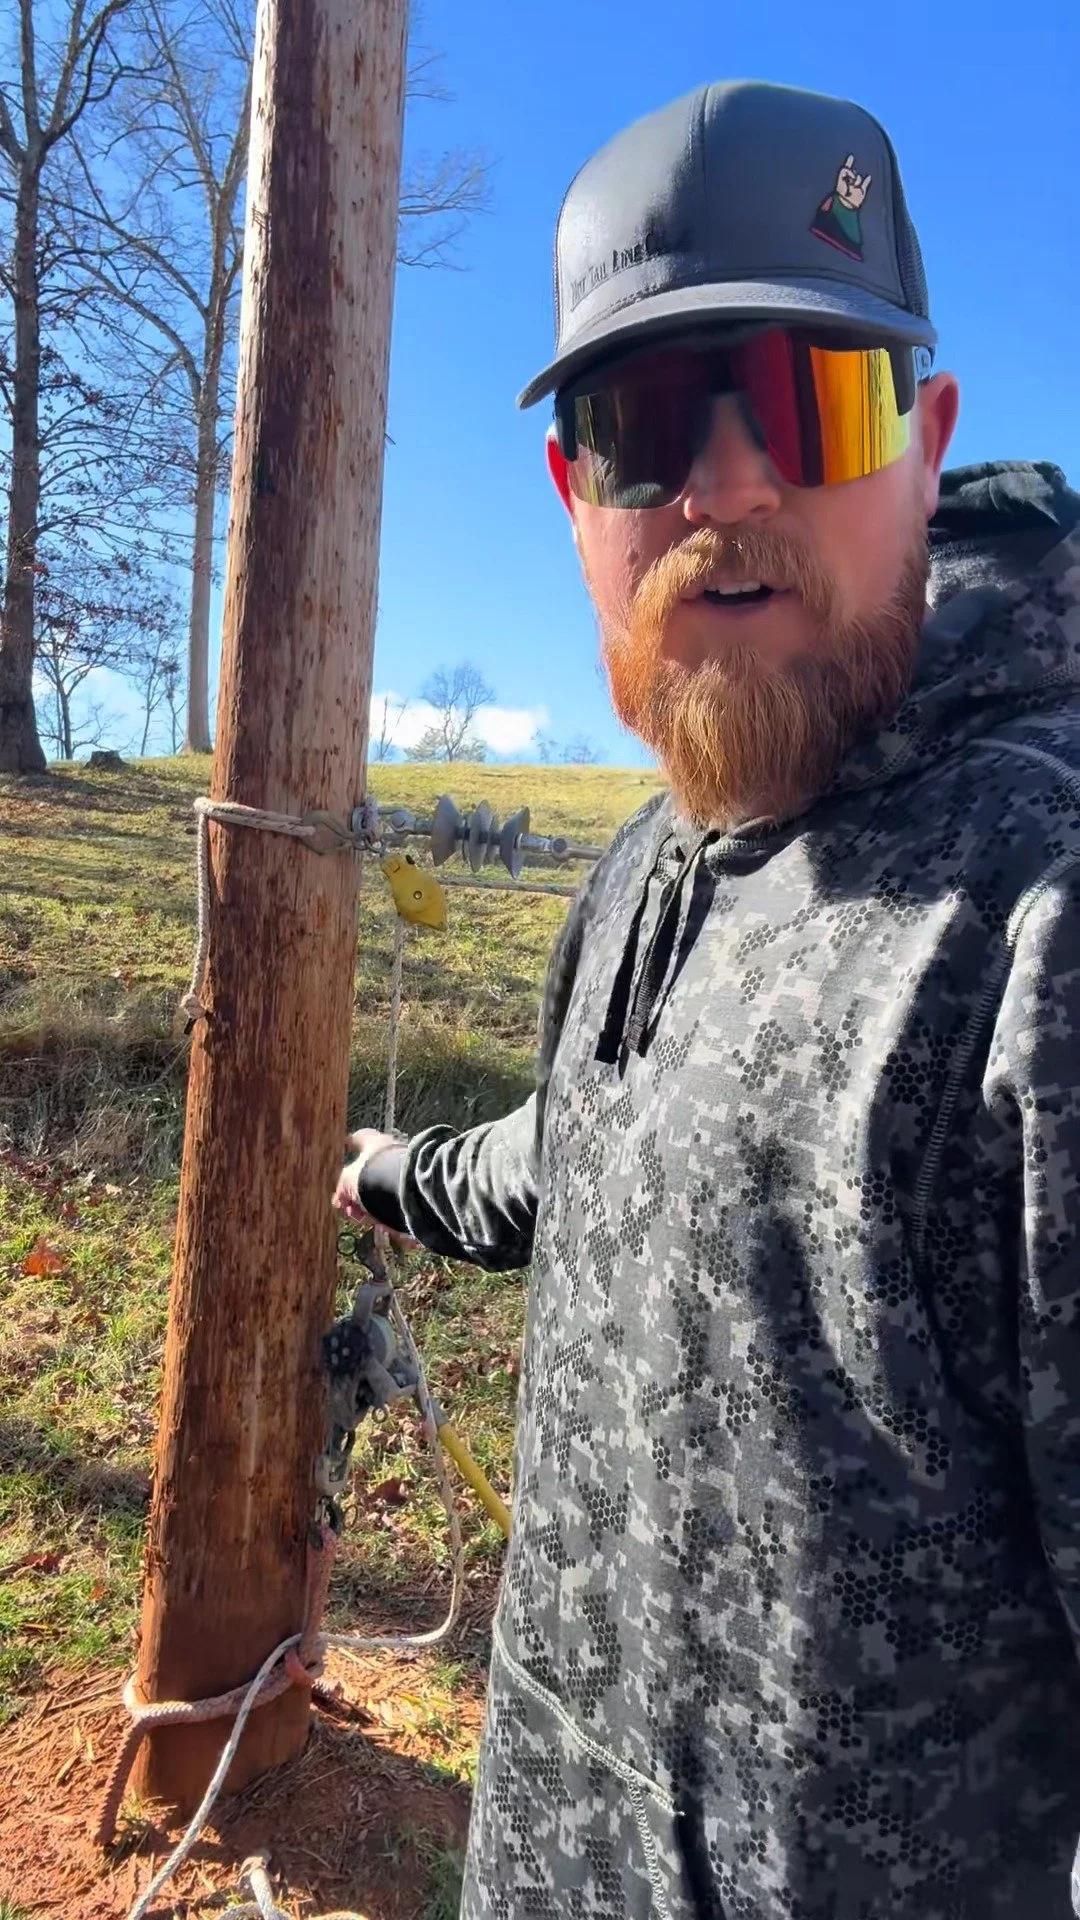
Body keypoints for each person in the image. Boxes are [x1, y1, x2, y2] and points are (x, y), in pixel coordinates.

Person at [334, 78, 1080, 1920]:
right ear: (572, 494)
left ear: (927, 442)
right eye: (651, 421)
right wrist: (395, 1174)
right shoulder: (646, 865)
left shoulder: (1041, 930)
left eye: (814, 399)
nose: (731, 486)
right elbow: (591, 1144)